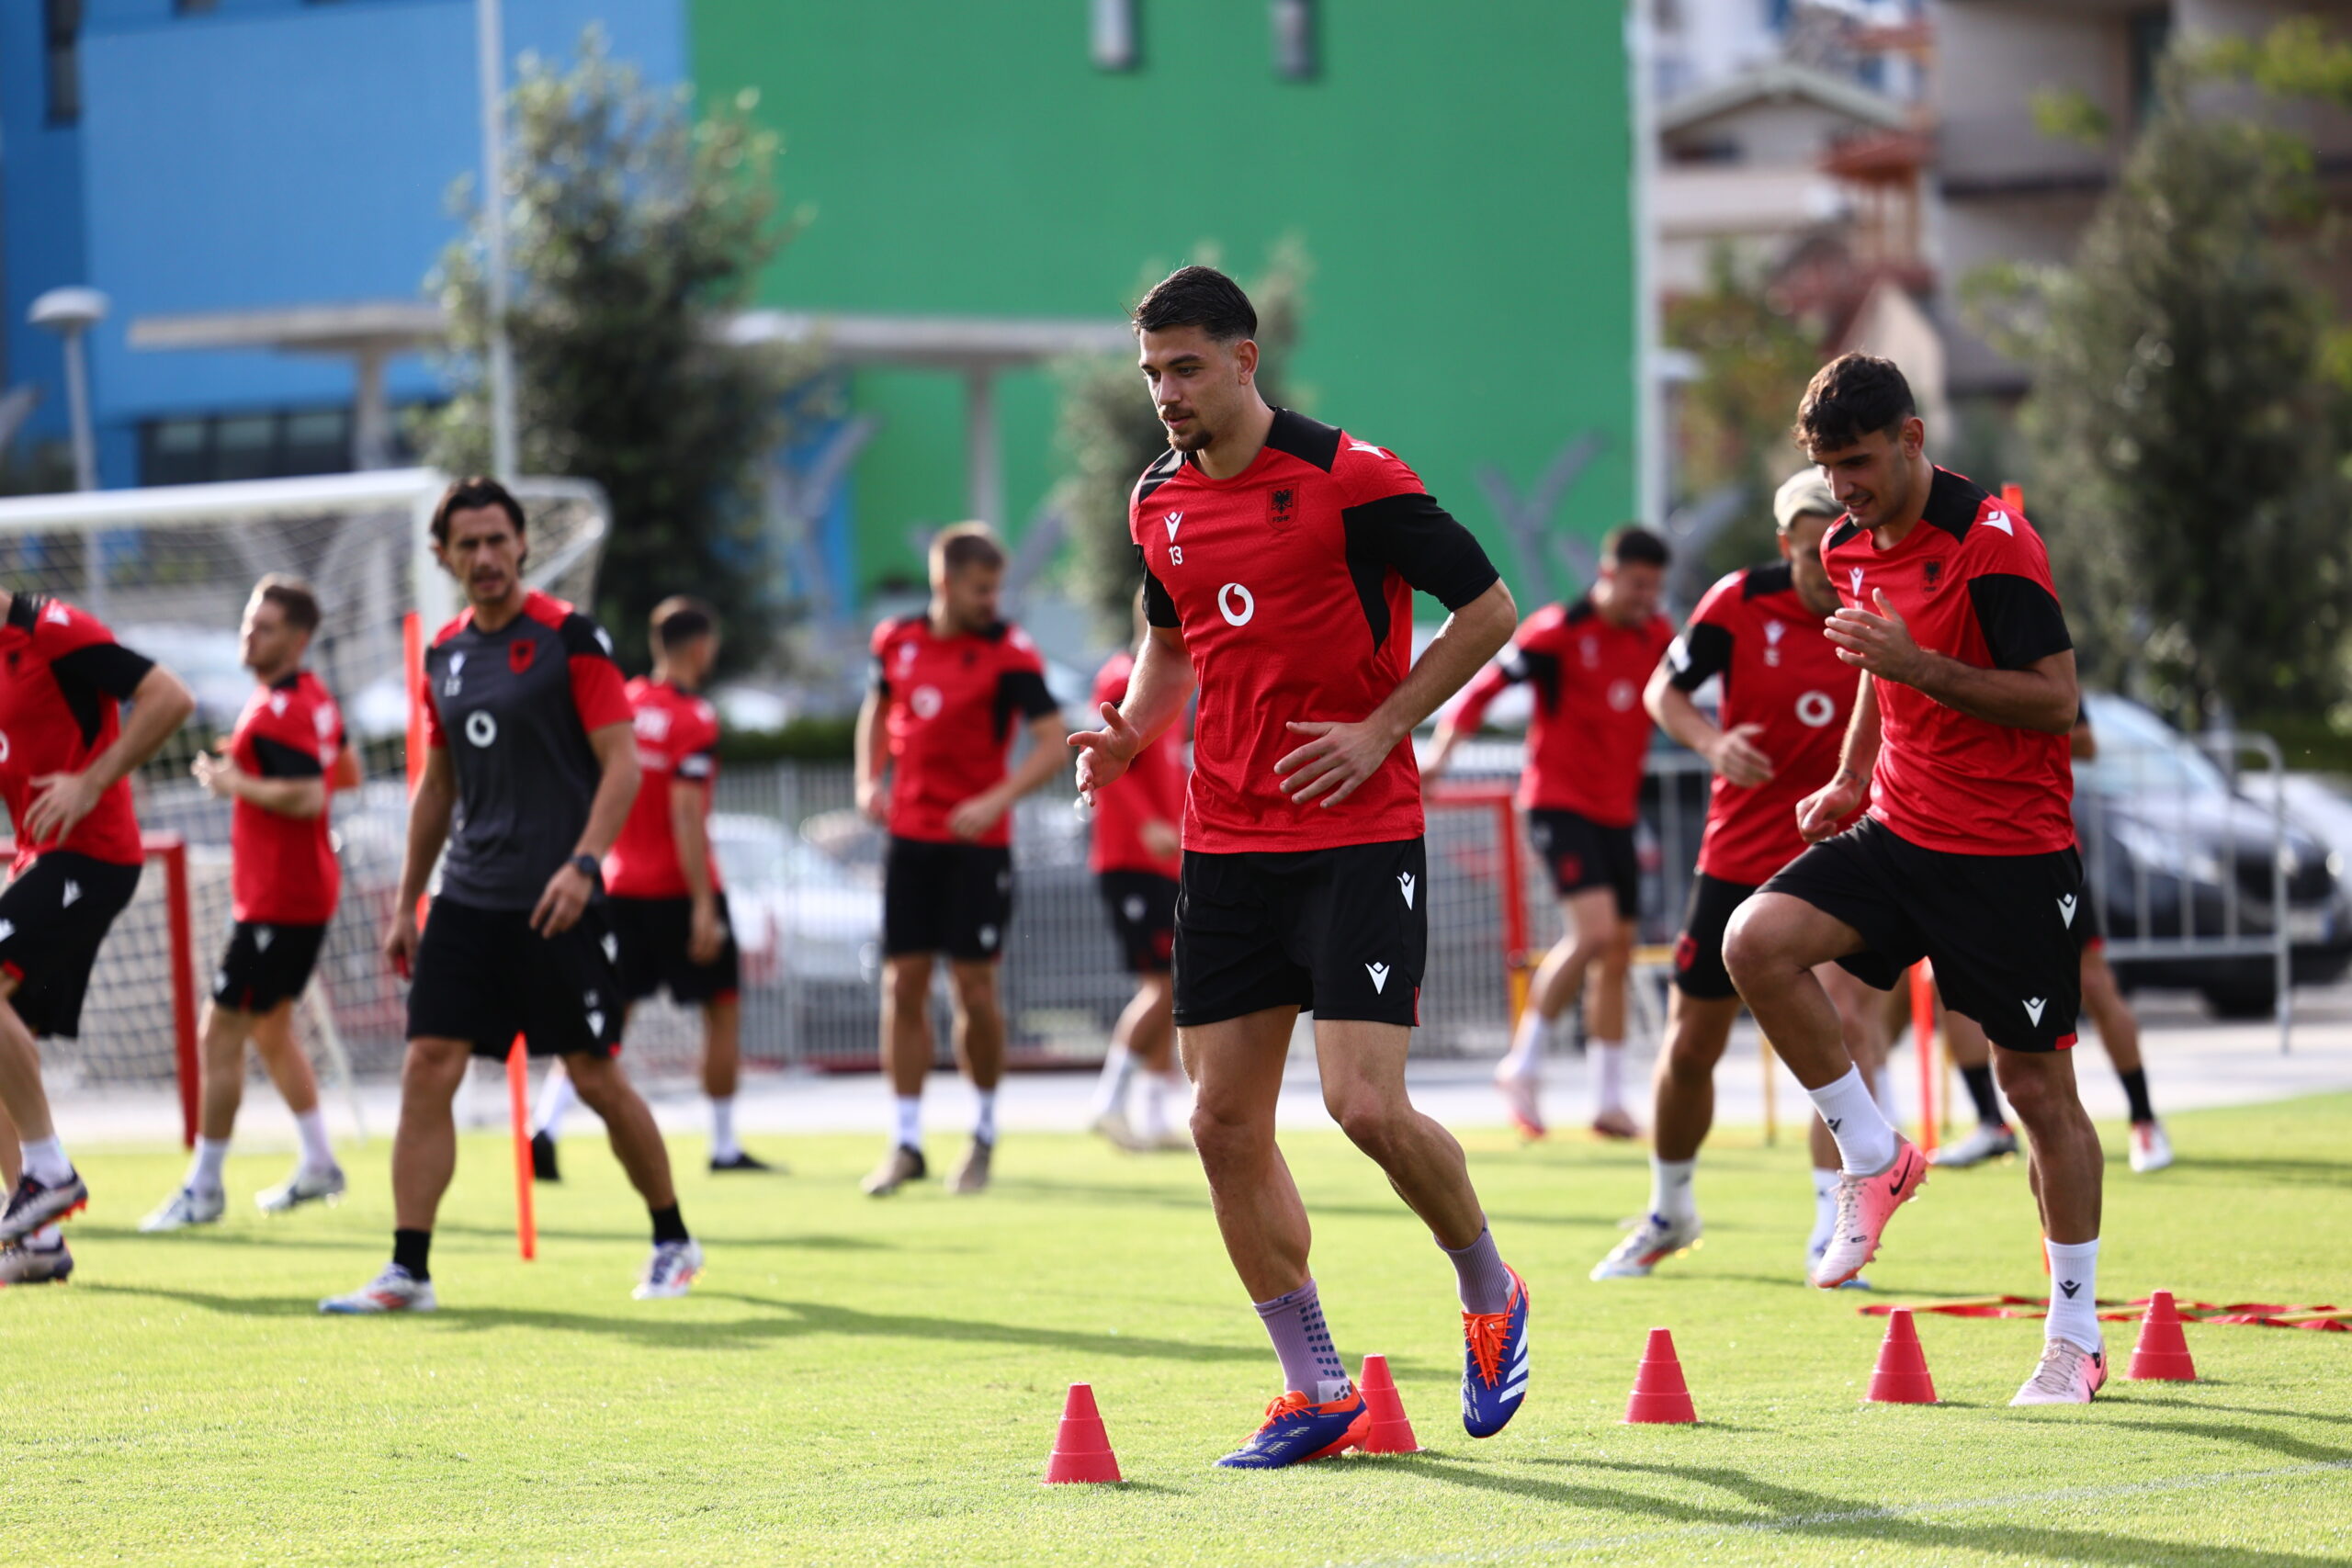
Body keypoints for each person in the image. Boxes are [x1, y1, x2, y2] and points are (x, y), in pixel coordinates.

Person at [1070, 265, 1530, 1468]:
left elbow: (1490, 610)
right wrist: (1130, 733)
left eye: (1185, 367)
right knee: (1222, 1122)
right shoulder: (1157, 497)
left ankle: (1490, 1287)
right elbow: (1169, 643)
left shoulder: (1350, 479)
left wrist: (1384, 727)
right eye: (1151, 372)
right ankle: (1313, 1384)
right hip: (1225, 842)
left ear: (1244, 359)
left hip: (1358, 833)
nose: (1166, 392)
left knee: (1364, 1107)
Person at [1721, 355, 2109, 1404]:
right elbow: (1873, 667)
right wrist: (1852, 776)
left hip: (2010, 852)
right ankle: (1872, 1153)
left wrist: (1919, 668)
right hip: (1898, 829)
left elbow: (2053, 701)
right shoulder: (1844, 546)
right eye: (1826, 468)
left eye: (1856, 463)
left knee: (2035, 1093)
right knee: (1754, 941)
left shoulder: (1993, 543)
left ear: (1911, 439)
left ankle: (2074, 1336)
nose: (1841, 488)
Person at [322, 477, 699, 1313]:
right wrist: (407, 902)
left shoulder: (571, 637)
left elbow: (623, 765)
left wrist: (584, 864)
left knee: (593, 1075)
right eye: (469, 544)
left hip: (558, 899)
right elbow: (437, 786)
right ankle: (408, 1270)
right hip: (467, 898)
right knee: (428, 1066)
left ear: (523, 543)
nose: (486, 556)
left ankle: (673, 1238)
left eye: (499, 539)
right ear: (443, 556)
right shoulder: (444, 653)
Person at [1590, 471, 1893, 1283]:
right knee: (1692, 1042)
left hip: (1845, 857)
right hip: (1738, 853)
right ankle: (1669, 1210)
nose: (1830, 558)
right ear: (1786, 541)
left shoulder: (1877, 604)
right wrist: (1713, 743)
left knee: (1844, 1027)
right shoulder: (1737, 602)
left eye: (1843, 539)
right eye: (1814, 544)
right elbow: (1664, 690)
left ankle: (1834, 1222)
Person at [1424, 527, 1675, 1140]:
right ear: (1607, 573)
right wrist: (1438, 758)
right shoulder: (1557, 631)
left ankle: (1607, 1099)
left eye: (1655, 588)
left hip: (1618, 812)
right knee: (1592, 935)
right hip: (1558, 804)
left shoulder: (1658, 636)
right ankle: (1523, 1064)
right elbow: (1480, 691)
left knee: (1617, 951)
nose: (1647, 597)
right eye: (1638, 584)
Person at [141, 577, 359, 1233]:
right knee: (269, 1029)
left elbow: (311, 795)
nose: (248, 635)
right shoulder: (313, 698)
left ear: (298, 638)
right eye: (247, 622)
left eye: (264, 627)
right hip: (293, 889)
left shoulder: (280, 709)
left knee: (220, 1032)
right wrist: (251, 778)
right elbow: (344, 772)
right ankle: (318, 1161)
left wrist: (238, 783)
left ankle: (204, 1187)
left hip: (279, 897)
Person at [856, 524, 1066, 1197]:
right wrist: (867, 779)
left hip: (978, 847)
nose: (991, 600)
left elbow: (1053, 741)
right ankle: (906, 1142)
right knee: (903, 986)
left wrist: (995, 799)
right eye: (980, 589)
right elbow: (877, 708)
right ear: (944, 583)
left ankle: (982, 1133)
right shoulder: (896, 640)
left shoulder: (1009, 650)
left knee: (973, 988)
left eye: (995, 588)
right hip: (909, 841)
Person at [530, 597, 772, 1179]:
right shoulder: (695, 718)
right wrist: (703, 906)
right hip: (679, 890)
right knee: (721, 1011)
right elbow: (686, 816)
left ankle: (546, 1125)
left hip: (618, 887)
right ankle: (723, 1145)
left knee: (604, 1021)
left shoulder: (625, 703)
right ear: (701, 647)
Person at [0, 593, 195, 1284]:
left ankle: (49, 1170)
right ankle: (38, 1241)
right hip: (42, 861)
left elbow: (170, 696)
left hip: (92, 857)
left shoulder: (51, 629)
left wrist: (92, 781)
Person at [1935, 710, 2168, 1172]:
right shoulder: (1929, 670)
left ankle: (2144, 1120)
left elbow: (2084, 741)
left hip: (2040, 851)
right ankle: (1991, 1125)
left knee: (2094, 984)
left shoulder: (2032, 666)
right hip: (1957, 853)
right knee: (1949, 986)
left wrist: (1998, 731)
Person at [1084, 592, 1190, 1153]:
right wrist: (1147, 822)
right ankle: (1110, 1099)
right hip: (1130, 857)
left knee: (1170, 986)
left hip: (1164, 860)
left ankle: (1150, 1112)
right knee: (1163, 985)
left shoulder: (1174, 684)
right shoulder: (1121, 677)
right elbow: (1100, 760)